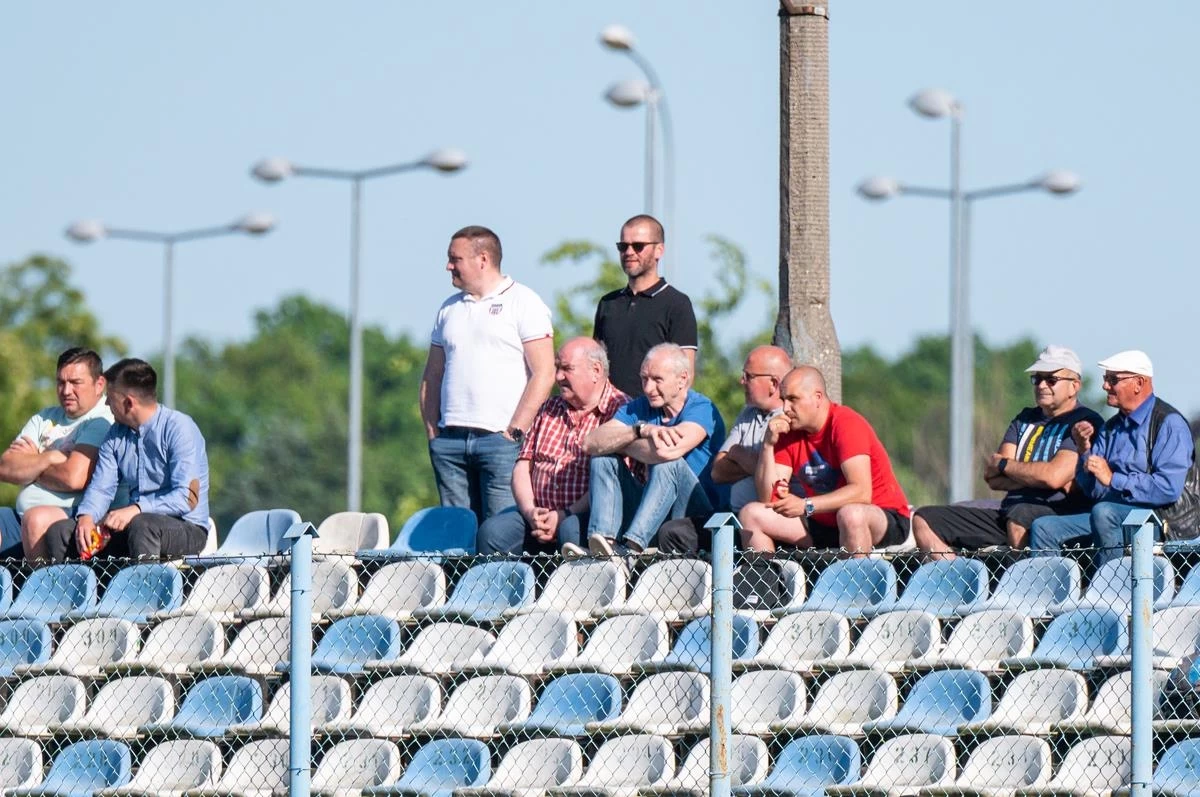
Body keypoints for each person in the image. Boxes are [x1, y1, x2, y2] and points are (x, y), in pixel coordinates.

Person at [912, 345, 1103, 558]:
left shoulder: (1084, 422)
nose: (1041, 385)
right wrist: (1034, 476)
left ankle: (1026, 579)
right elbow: (993, 478)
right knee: (924, 519)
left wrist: (1006, 465)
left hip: (1058, 513)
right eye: (1037, 378)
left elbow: (1053, 477)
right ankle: (961, 576)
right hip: (1009, 510)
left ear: (1074, 386)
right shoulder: (1025, 419)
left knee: (1021, 515)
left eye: (1051, 379)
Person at [419, 225, 555, 525]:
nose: (448, 266)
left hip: (500, 442)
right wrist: (433, 433)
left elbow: (545, 373)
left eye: (455, 259)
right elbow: (432, 375)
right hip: (450, 441)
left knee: (497, 533)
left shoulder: (524, 302)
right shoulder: (449, 309)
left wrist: (514, 433)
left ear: (482, 259)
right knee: (456, 534)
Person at [1030, 350, 1193, 564]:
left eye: (1113, 380)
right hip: (1111, 516)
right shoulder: (1111, 428)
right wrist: (1084, 450)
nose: (1105, 386)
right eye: (1105, 379)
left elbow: (1168, 489)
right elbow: (1095, 491)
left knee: (1104, 513)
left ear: (1139, 383)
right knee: (1043, 527)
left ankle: (1108, 584)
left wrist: (1113, 479)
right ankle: (1051, 587)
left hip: (1163, 522)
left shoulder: (1169, 424)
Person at [564, 343, 725, 557]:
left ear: (682, 379)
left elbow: (666, 452)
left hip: (694, 516)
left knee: (669, 465)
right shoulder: (640, 408)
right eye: (644, 379)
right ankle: (605, 546)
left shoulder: (701, 408)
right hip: (652, 510)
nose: (648, 388)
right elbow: (591, 443)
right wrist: (639, 430)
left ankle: (631, 551)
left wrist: (621, 443)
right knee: (603, 458)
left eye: (657, 380)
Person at [44, 358, 211, 561]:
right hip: (135, 525)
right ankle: (90, 582)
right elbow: (101, 489)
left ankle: (146, 583)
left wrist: (137, 509)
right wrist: (86, 517)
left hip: (186, 528)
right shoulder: (115, 435)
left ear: (129, 402)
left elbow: (187, 497)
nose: (106, 403)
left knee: (143, 525)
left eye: (110, 397)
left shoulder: (179, 428)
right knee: (61, 532)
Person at [475, 338, 629, 555]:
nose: (558, 376)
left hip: (588, 515)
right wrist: (530, 512)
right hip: (537, 515)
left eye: (567, 369)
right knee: (492, 533)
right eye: (557, 368)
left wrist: (564, 515)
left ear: (596, 370)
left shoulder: (622, 411)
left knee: (570, 530)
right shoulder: (549, 407)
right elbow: (523, 466)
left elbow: (612, 483)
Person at [739, 366, 910, 555]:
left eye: (793, 399)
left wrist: (805, 505)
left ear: (818, 397)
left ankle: (857, 575)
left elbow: (861, 492)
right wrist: (768, 445)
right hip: (822, 520)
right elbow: (769, 498)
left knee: (851, 515)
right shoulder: (789, 431)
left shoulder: (846, 423)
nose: (785, 408)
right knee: (751, 514)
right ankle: (767, 574)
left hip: (879, 516)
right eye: (783, 400)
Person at [658, 345, 793, 553]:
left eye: (748, 376)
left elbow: (771, 487)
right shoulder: (748, 413)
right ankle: (696, 576)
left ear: (773, 383)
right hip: (731, 515)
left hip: (766, 523)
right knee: (672, 533)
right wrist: (758, 465)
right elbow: (718, 471)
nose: (741, 381)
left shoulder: (788, 420)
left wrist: (738, 453)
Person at [0, 348, 118, 561]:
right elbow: (6, 468)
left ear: (99, 384)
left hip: (70, 517)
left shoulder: (101, 420)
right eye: (61, 382)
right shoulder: (45, 417)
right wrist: (50, 457)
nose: (66, 390)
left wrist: (31, 464)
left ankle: (40, 583)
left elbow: (74, 478)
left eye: (75, 382)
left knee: (35, 519)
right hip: (20, 518)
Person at [593, 214, 698, 397]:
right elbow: (595, 365)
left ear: (659, 250)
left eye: (638, 246)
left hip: (652, 410)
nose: (629, 252)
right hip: (609, 410)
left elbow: (684, 374)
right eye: (623, 246)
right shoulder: (607, 303)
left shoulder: (677, 304)